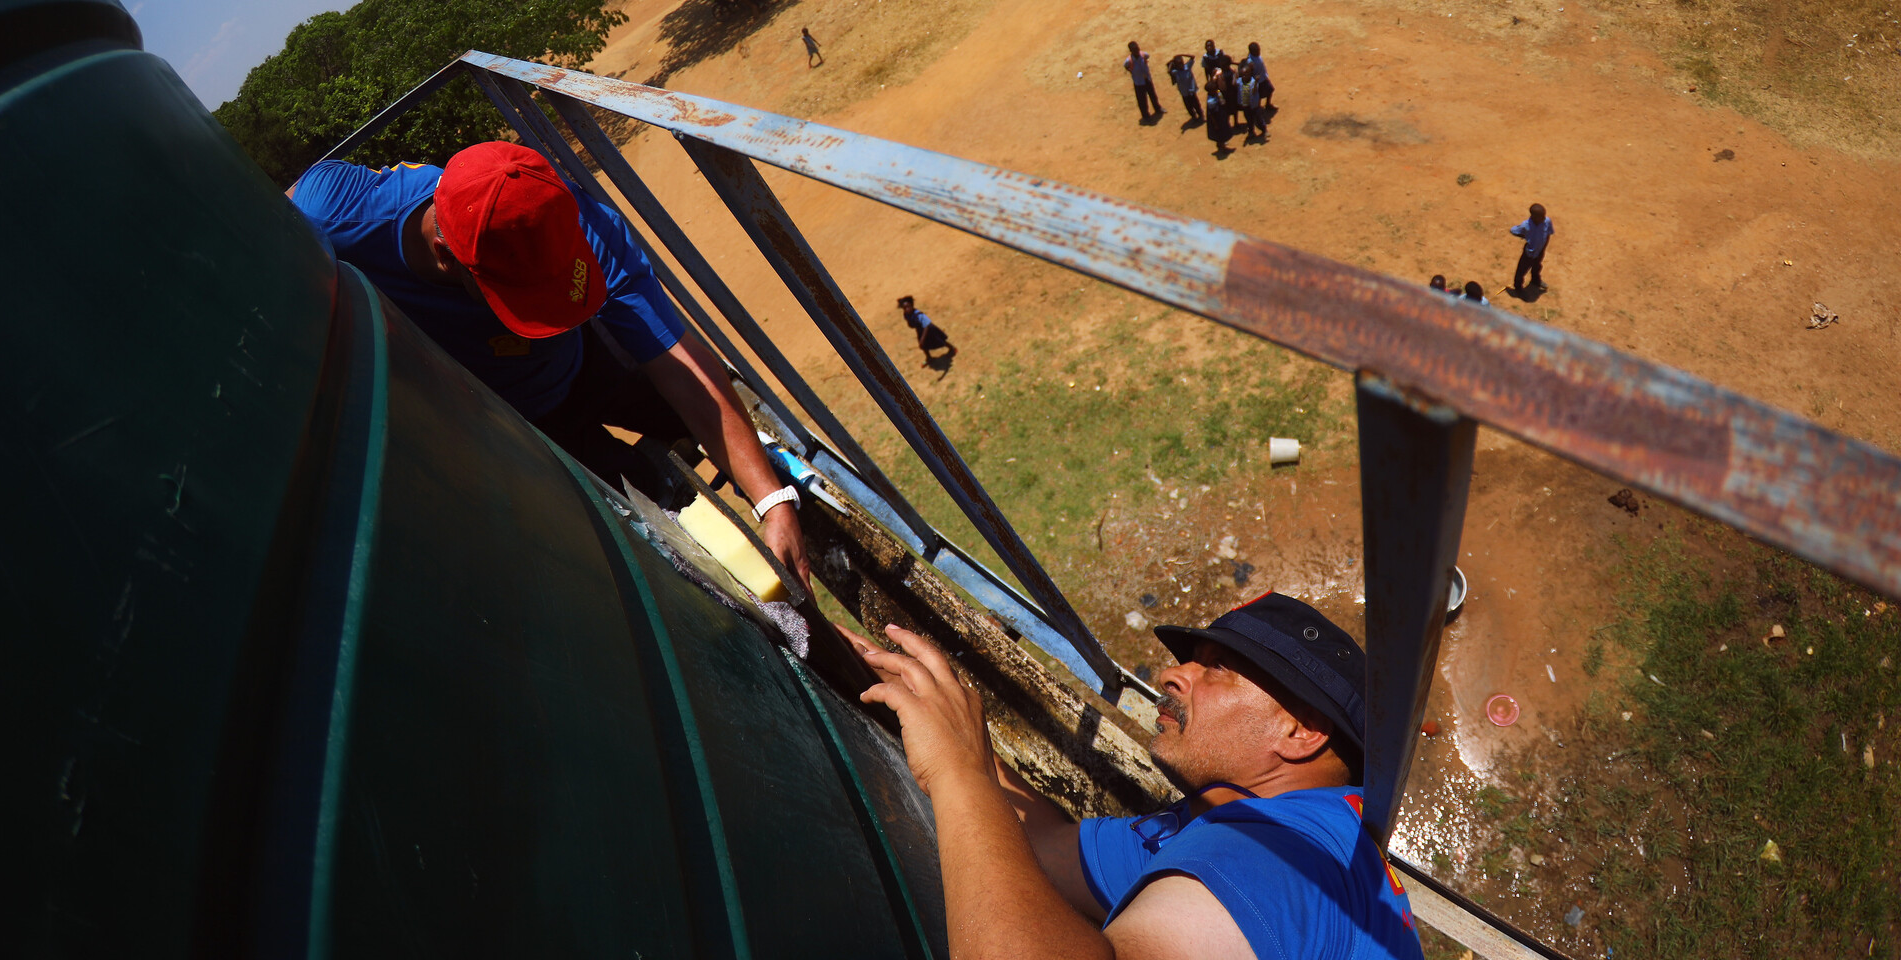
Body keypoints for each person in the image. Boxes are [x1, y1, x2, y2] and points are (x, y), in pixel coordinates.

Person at [287, 142, 811, 587]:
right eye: (532, 299)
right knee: (655, 542)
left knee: (733, 431)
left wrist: (772, 498)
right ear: (447, 256)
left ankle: (773, 466)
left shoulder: (579, 221)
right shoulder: (334, 216)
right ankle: (655, 486)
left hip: (590, 359)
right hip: (513, 423)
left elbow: (677, 361)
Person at [836, 593, 1424, 960]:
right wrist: (948, 725)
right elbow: (1043, 847)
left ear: (1300, 732)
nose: (1172, 675)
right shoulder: (1218, 824)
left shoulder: (1282, 855)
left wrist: (957, 773)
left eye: (1216, 670)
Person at [1509, 203, 1553, 292]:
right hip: (1529, 253)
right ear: (1533, 216)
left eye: (1544, 215)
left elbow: (1548, 233)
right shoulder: (1526, 225)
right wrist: (1525, 235)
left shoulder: (1547, 221)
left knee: (1537, 266)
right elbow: (1513, 230)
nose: (1544, 218)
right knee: (1522, 270)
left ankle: (1535, 280)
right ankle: (1518, 287)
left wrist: (1544, 247)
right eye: (1541, 216)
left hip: (1540, 251)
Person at [899, 295, 955, 364]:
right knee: (924, 346)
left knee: (939, 340)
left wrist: (922, 339)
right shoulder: (906, 314)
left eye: (908, 307)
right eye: (905, 308)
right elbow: (909, 321)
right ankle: (929, 357)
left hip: (929, 329)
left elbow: (926, 325)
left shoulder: (919, 315)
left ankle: (952, 348)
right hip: (920, 330)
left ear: (912, 305)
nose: (907, 309)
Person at [1123, 41, 1162, 120]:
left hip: (1147, 79)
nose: (1137, 51)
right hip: (1139, 82)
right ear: (1131, 51)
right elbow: (1126, 66)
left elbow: (1147, 57)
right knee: (1142, 100)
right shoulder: (1129, 61)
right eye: (1135, 50)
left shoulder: (1143, 54)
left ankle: (1158, 108)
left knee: (1153, 95)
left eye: (1137, 48)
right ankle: (1146, 115)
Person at [1204, 71, 1234, 154]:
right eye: (1215, 89)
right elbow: (1212, 114)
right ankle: (1222, 147)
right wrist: (1215, 124)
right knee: (1220, 134)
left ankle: (1221, 145)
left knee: (1221, 133)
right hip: (1217, 119)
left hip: (1220, 116)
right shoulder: (1211, 101)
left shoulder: (1214, 94)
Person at [1166, 53, 1203, 121]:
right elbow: (1169, 71)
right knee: (1188, 106)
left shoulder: (1187, 66)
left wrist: (1182, 54)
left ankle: (1200, 115)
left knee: (1196, 104)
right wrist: (1172, 62)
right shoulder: (1176, 72)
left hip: (1191, 90)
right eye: (1178, 64)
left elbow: (1192, 57)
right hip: (1184, 92)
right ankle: (1194, 117)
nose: (1180, 65)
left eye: (1181, 63)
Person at [1234, 63, 1263, 138]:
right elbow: (1234, 84)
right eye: (1242, 75)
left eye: (1245, 75)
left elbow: (1254, 91)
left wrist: (1256, 81)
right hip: (1245, 105)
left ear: (1250, 74)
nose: (1244, 76)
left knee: (1258, 118)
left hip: (1254, 105)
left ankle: (1264, 130)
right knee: (1248, 119)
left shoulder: (1253, 82)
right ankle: (1251, 132)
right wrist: (1235, 75)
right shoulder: (1240, 81)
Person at [1243, 41, 1274, 109]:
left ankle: (1268, 104)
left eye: (1258, 50)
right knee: (1259, 96)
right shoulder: (1250, 62)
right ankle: (1258, 108)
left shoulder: (1256, 55)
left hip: (1264, 77)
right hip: (1258, 81)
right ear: (1252, 52)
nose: (1258, 52)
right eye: (1256, 51)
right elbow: (1249, 73)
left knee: (1270, 90)